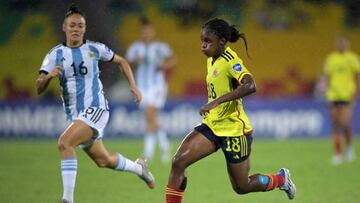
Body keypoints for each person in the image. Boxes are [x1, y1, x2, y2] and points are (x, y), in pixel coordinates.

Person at [165, 18, 296, 203]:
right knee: (178, 161)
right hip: (212, 126)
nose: (203, 46)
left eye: (207, 41)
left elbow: (251, 85)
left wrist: (216, 102)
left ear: (222, 42)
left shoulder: (230, 61)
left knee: (242, 187)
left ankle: (281, 179)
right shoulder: (212, 58)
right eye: (202, 40)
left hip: (234, 131)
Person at [35, 5, 155, 203]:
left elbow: (122, 62)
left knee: (64, 143)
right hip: (76, 115)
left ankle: (67, 199)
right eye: (72, 25)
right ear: (64, 27)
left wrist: (134, 86)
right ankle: (139, 168)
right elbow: (39, 86)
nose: (76, 29)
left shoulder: (94, 48)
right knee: (103, 160)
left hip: (97, 108)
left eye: (80, 26)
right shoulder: (54, 54)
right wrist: (48, 78)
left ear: (85, 28)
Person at [126, 17, 176, 163]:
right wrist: (136, 60)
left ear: (152, 32)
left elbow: (173, 60)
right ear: (141, 33)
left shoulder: (160, 47)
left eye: (148, 31)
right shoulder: (135, 48)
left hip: (157, 86)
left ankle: (148, 153)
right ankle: (165, 145)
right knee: (151, 118)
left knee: (150, 115)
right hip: (141, 86)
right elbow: (127, 64)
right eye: (144, 32)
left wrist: (163, 66)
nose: (146, 34)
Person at [321, 36, 360, 165]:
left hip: (347, 95)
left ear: (347, 44)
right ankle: (337, 154)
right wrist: (325, 89)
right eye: (340, 43)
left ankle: (349, 149)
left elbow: (357, 75)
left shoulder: (353, 58)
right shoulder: (332, 58)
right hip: (333, 95)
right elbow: (327, 76)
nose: (342, 45)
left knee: (345, 123)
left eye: (344, 43)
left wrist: (357, 90)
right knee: (335, 124)